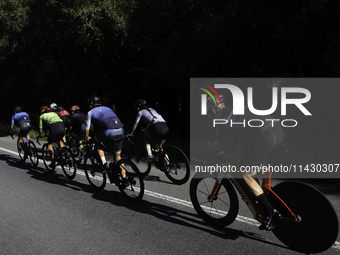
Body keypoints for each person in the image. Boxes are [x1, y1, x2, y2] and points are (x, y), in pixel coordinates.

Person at [203, 95, 284, 231]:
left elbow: (223, 144)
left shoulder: (220, 118)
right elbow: (242, 140)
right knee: (250, 165)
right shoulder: (235, 110)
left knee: (244, 174)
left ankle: (271, 212)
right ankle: (263, 197)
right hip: (278, 130)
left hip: (264, 136)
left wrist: (213, 154)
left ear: (212, 111)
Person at [84, 96, 128, 185]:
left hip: (109, 132)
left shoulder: (90, 112)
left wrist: (86, 139)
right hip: (121, 130)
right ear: (100, 103)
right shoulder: (107, 108)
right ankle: (124, 178)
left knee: (96, 141)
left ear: (91, 105)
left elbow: (87, 129)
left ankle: (104, 163)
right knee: (118, 156)